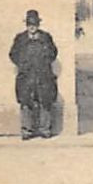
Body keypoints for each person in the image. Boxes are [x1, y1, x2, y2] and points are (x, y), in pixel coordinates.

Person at [9, 9, 58, 139]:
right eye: (30, 24)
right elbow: (13, 54)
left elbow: (53, 53)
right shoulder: (20, 38)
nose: (32, 27)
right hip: (26, 76)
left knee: (45, 102)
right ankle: (26, 131)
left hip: (43, 75)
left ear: (38, 24)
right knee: (25, 102)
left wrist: (44, 63)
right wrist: (23, 64)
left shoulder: (46, 37)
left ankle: (45, 129)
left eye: (35, 24)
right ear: (26, 25)